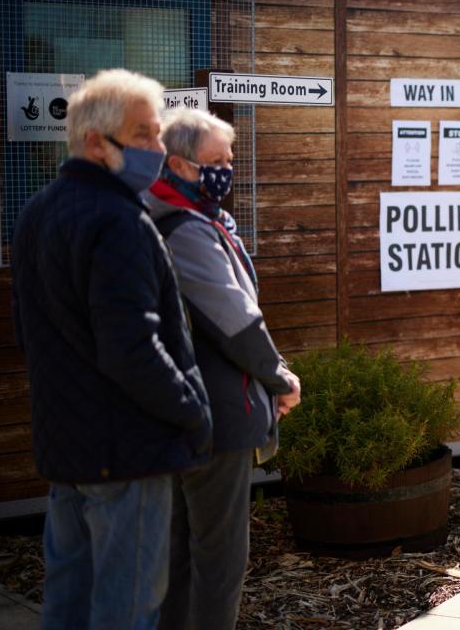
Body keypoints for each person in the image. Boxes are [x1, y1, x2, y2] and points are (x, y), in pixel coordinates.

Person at [10, 69, 211, 629]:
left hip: (67, 451)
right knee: (126, 610)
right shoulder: (120, 219)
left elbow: (29, 333)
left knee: (68, 605)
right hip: (128, 452)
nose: (158, 148)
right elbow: (133, 350)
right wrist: (193, 414)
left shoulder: (36, 212)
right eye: (143, 134)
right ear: (95, 142)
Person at [145, 108, 302, 630]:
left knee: (182, 555)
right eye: (215, 161)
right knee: (218, 560)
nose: (226, 170)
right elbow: (234, 318)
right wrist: (278, 377)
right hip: (214, 413)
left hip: (183, 410)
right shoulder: (183, 229)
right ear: (178, 164)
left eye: (229, 159)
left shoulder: (191, 218)